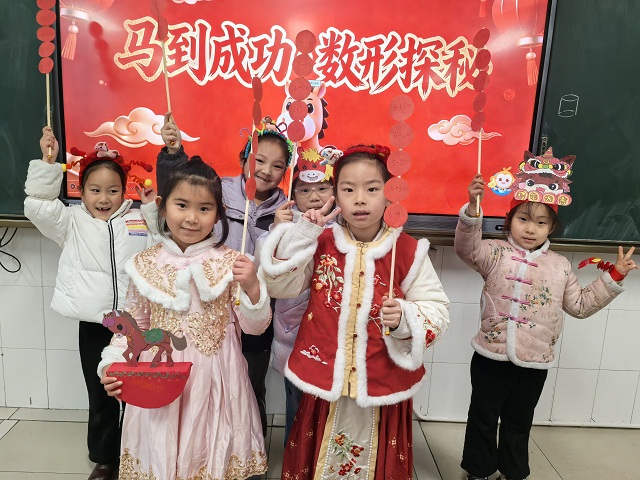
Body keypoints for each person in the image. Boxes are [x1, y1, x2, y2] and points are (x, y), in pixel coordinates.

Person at [258, 144, 450, 479]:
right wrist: (303, 232)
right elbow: (279, 284)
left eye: (372, 189)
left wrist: (405, 318)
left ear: (390, 195)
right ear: (336, 195)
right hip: (326, 380)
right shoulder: (321, 243)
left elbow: (437, 309)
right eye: (348, 190)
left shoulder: (408, 250)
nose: (360, 200)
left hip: (382, 381)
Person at [99, 158, 272, 479]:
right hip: (159, 377)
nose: (192, 218)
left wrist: (252, 286)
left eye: (204, 208)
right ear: (162, 207)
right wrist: (112, 365)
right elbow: (132, 326)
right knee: (163, 456)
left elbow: (255, 326)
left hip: (218, 379)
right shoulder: (144, 264)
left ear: (218, 214)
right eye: (182, 205)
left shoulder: (233, 263)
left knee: (211, 453)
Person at [457, 174, 638, 480]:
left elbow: (580, 305)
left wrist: (614, 277)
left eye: (541, 223)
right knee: (482, 417)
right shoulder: (494, 253)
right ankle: (478, 470)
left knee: (518, 421)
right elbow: (466, 249)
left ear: (551, 227)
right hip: (490, 356)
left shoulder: (560, 266)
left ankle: (513, 472)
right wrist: (473, 211)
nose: (531, 229)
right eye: (523, 219)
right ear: (509, 219)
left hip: (534, 362)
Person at [24, 127, 157, 480]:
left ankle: (137, 452)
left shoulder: (138, 218)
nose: (103, 198)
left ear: (124, 191)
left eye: (112, 190)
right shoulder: (70, 221)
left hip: (135, 324)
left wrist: (152, 210)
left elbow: (161, 246)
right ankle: (104, 458)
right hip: (95, 325)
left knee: (137, 391)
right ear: (81, 191)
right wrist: (48, 163)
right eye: (95, 190)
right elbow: (38, 207)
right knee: (101, 393)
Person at [157, 113, 293, 435]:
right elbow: (182, 190)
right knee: (210, 387)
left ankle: (250, 450)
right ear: (244, 159)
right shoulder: (218, 192)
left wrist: (279, 231)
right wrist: (173, 155)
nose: (266, 171)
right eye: (259, 160)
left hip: (255, 307)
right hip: (213, 311)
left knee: (250, 386)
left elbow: (283, 269)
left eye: (277, 166)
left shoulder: (287, 210)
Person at [255, 154, 336, 442]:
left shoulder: (345, 229)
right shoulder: (283, 227)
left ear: (335, 190)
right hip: (294, 334)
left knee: (330, 412)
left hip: (331, 336)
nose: (314, 197)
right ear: (292, 195)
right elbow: (265, 268)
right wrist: (278, 231)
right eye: (304, 190)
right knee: (298, 406)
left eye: (322, 188)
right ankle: (295, 457)